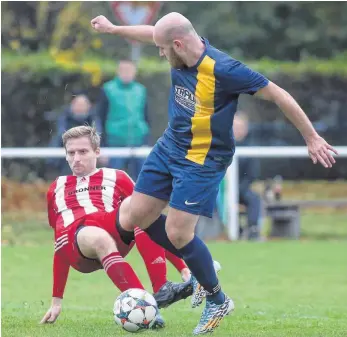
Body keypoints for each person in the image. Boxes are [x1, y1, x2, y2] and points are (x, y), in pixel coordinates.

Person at [91, 12, 338, 335]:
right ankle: (199, 267)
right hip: (169, 148)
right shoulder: (176, 47)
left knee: (180, 233)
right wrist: (114, 29)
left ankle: (217, 297)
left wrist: (311, 137)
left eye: (163, 50)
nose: (161, 54)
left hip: (203, 158)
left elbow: (279, 95)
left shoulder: (225, 69)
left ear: (178, 44)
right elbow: (154, 31)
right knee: (137, 215)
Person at [40, 125, 193, 326]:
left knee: (140, 209)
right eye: (71, 153)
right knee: (99, 237)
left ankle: (160, 290)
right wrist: (56, 301)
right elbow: (58, 242)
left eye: (83, 151)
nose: (76, 158)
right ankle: (145, 307)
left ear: (97, 151)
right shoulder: (56, 186)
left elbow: (150, 221)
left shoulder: (116, 176)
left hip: (112, 230)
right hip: (76, 242)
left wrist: (182, 268)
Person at [98, 60, 150, 180]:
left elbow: (147, 117)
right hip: (114, 143)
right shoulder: (107, 89)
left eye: (129, 70)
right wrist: (102, 147)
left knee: (142, 181)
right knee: (111, 181)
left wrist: (147, 143)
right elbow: (100, 118)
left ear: (134, 72)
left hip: (138, 142)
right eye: (123, 70)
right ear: (118, 72)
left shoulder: (141, 90)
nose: (126, 73)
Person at [46, 93, 103, 175]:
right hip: (64, 157)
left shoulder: (94, 117)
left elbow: (98, 135)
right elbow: (61, 135)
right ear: (72, 105)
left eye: (82, 105)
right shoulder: (64, 117)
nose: (80, 107)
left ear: (89, 106)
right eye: (77, 104)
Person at [233, 112, 262, 240]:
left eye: (241, 127)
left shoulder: (251, 148)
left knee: (254, 199)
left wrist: (238, 190)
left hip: (242, 189)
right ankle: (233, 231)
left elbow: (251, 175)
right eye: (235, 127)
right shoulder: (221, 146)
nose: (238, 130)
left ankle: (253, 230)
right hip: (220, 191)